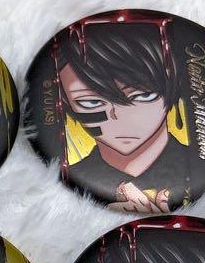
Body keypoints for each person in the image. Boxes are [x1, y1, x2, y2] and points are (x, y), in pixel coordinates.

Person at [56, 18, 191, 212]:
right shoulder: (68, 183)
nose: (119, 117)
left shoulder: (200, 169)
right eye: (91, 102)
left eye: (143, 95)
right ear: (66, 102)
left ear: (173, 86)